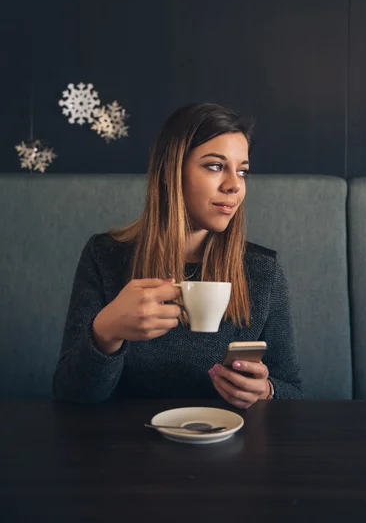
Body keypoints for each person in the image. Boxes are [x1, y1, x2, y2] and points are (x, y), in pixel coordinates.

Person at [53, 103, 302, 407]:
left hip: (227, 446)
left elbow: (294, 392)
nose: (234, 185)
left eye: (242, 171)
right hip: (126, 447)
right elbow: (69, 396)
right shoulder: (105, 256)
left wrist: (266, 391)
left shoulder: (263, 271)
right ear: (171, 171)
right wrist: (106, 332)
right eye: (215, 166)